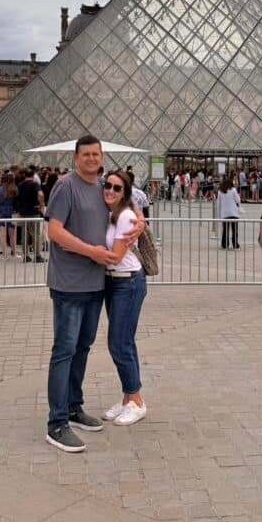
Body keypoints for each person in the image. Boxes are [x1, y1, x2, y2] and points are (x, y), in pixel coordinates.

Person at [44, 135, 143, 453]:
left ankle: (74, 406)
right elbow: (54, 230)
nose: (91, 158)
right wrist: (93, 253)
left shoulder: (103, 187)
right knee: (64, 350)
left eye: (96, 154)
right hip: (69, 283)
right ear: (75, 157)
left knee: (82, 348)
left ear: (101, 157)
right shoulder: (65, 185)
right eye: (86, 154)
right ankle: (57, 423)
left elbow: (127, 205)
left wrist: (140, 223)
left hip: (95, 285)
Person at [101, 170, 148, 426]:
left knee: (119, 343)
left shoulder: (126, 215)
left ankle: (138, 401)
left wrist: (77, 248)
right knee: (124, 342)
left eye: (117, 188)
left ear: (125, 193)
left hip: (128, 282)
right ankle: (127, 398)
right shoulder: (111, 212)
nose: (110, 190)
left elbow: (116, 257)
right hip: (114, 282)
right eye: (107, 185)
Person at [17, 166, 46, 262]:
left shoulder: (20, 185)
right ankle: (37, 255)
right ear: (33, 175)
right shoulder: (35, 184)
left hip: (22, 212)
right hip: (33, 212)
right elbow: (41, 194)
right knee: (35, 234)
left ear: (24, 175)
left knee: (24, 234)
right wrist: (41, 205)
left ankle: (26, 256)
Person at [0, 172, 18, 256]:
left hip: (0, 211)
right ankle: (14, 252)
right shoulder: (15, 189)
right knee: (12, 235)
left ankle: (4, 253)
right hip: (11, 212)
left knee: (2, 235)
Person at [216, 177, 241, 249]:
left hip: (224, 213)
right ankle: (235, 244)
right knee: (234, 230)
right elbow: (238, 200)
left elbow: (218, 204)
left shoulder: (220, 191)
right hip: (233, 213)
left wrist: (219, 215)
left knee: (225, 230)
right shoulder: (233, 190)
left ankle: (224, 244)